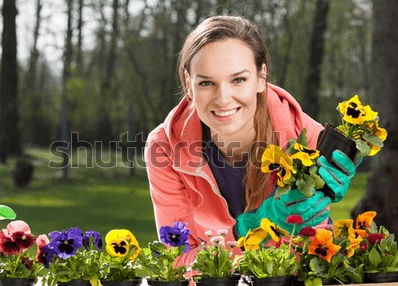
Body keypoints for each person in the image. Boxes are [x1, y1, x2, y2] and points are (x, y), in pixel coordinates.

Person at [144, 16, 356, 271]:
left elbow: (313, 259)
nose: (223, 99)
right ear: (189, 85)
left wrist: (336, 175)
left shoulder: (303, 136)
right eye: (206, 83)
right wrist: (250, 229)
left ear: (261, 77)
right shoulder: (165, 148)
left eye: (238, 80)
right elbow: (176, 265)